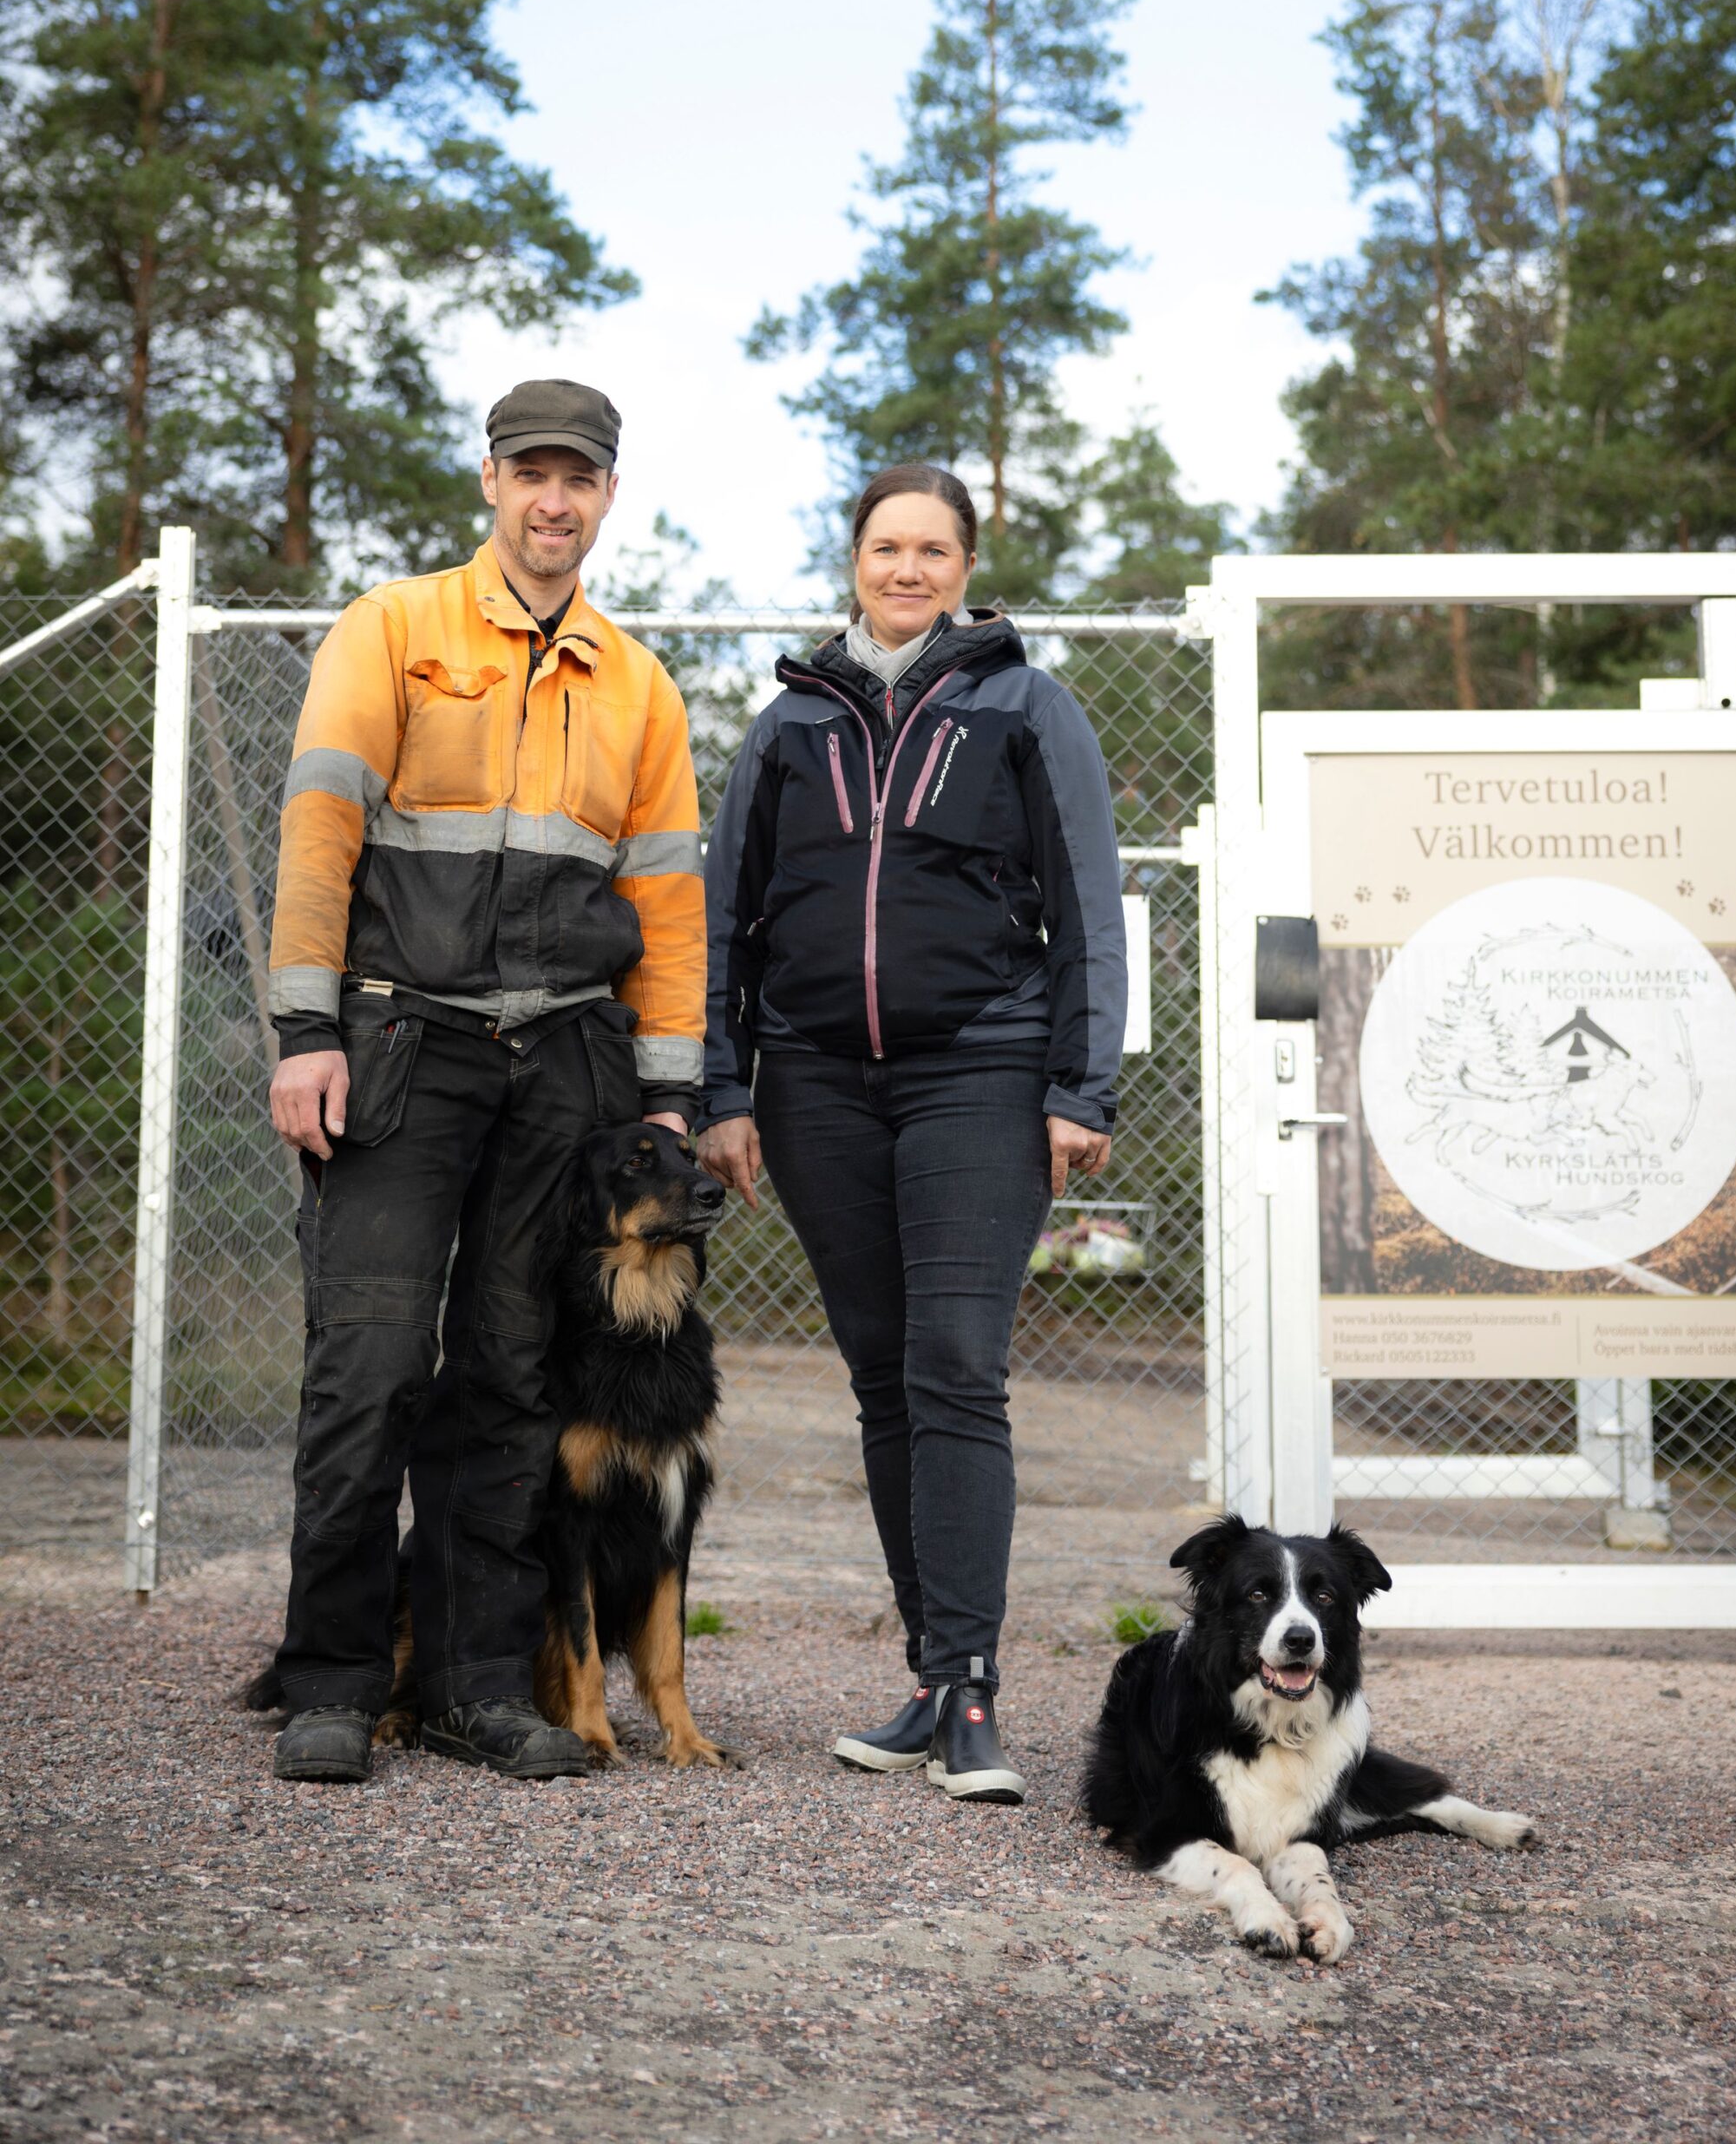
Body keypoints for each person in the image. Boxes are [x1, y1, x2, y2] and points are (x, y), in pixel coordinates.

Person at [264, 379, 705, 1785]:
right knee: (371, 1371)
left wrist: (667, 1096)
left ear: (607, 496)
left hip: (567, 1069)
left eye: (578, 478)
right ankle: (334, 1679)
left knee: (513, 1382)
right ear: (490, 480)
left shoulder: (637, 684)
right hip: (401, 1043)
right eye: (531, 473)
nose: (553, 500)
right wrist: (302, 1029)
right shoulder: (392, 629)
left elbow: (669, 912)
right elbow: (322, 831)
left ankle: (471, 1687)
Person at [698, 463, 1126, 1804]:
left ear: (965, 566)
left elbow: (1088, 909)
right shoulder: (787, 725)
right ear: (853, 561)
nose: (906, 569)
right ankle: (931, 1680)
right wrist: (722, 1089)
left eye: (932, 549)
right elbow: (723, 923)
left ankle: (976, 1687)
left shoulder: (1023, 705)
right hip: (814, 1084)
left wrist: (1079, 1086)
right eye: (886, 547)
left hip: (980, 1075)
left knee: (954, 1366)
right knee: (883, 1379)